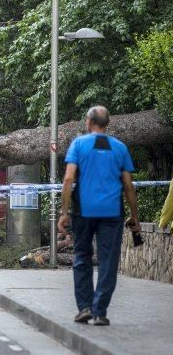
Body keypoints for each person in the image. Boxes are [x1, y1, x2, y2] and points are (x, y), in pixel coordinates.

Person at [58, 106, 140, 326]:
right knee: (108, 261)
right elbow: (128, 185)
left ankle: (84, 307)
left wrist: (64, 213)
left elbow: (68, 179)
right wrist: (135, 216)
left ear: (88, 122)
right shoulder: (120, 148)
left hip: (83, 211)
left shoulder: (78, 145)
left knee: (82, 257)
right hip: (112, 212)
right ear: (108, 124)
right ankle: (100, 311)